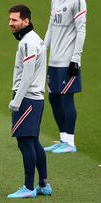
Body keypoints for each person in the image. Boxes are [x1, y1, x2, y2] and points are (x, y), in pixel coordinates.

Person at [7, 5, 52, 199]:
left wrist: (16, 101)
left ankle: (28, 187)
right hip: (36, 98)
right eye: (10, 20)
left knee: (25, 143)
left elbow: (28, 74)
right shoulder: (35, 38)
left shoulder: (27, 42)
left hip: (27, 99)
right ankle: (43, 184)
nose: (10, 24)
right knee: (34, 142)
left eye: (15, 20)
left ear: (26, 21)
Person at [43, 0, 87, 153]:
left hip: (68, 60)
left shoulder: (78, 1)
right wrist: (43, 49)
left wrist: (76, 58)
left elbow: (81, 29)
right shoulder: (55, 1)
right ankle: (63, 139)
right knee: (53, 97)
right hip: (53, 60)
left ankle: (70, 142)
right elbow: (51, 27)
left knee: (66, 98)